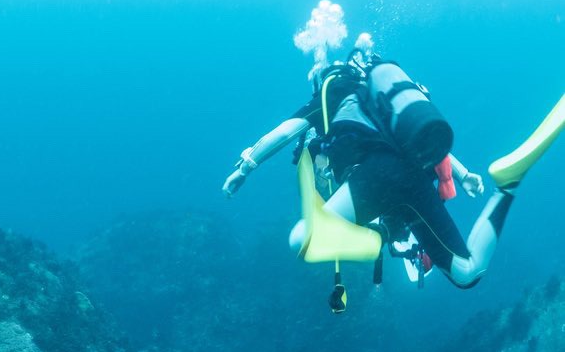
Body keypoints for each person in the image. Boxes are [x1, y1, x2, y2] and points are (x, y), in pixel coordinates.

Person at [222, 43, 560, 290]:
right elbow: (415, 139)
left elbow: (285, 131)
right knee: (467, 272)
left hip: (377, 177)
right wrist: (463, 173)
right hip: (415, 175)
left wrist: (246, 165)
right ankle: (508, 185)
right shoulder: (378, 98)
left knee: (302, 239)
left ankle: (383, 235)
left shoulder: (332, 94)